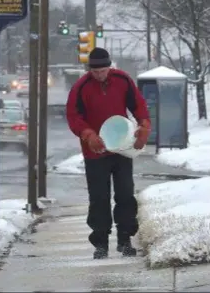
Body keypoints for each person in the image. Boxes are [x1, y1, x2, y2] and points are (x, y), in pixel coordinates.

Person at [66, 47, 151, 259]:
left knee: (125, 194)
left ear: (109, 67)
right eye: (95, 72)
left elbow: (138, 105)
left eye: (103, 70)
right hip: (95, 150)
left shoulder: (122, 80)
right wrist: (88, 134)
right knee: (98, 197)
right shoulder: (81, 87)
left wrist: (144, 126)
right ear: (89, 70)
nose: (99, 75)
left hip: (122, 147)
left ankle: (125, 239)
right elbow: (73, 116)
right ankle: (101, 243)